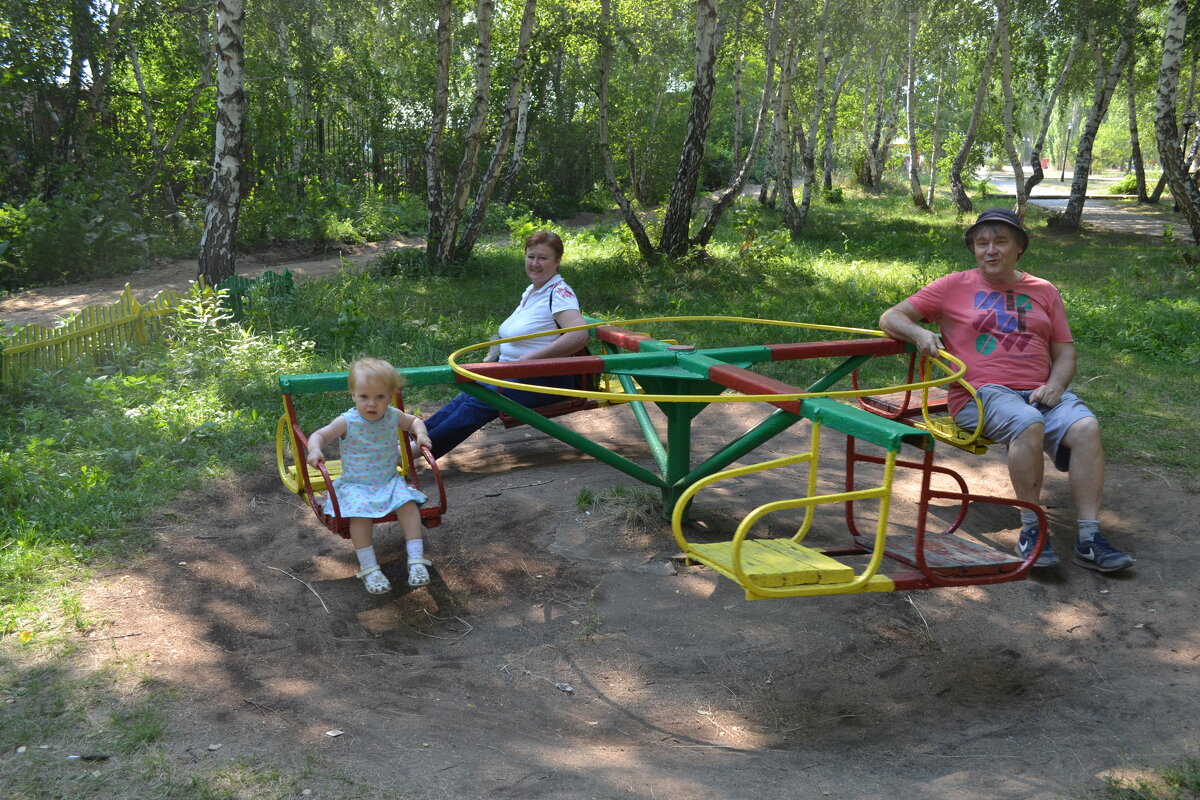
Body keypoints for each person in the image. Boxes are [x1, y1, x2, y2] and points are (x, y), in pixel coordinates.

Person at [878, 208, 1134, 573]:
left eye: (1000, 242)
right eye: (982, 243)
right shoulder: (953, 286)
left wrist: (1056, 385)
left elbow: (1064, 353)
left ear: (1019, 248)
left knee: (1086, 428)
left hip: (1039, 391)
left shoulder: (1043, 290)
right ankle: (1032, 530)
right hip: (979, 395)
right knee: (1027, 422)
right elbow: (891, 317)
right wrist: (920, 334)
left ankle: (1089, 538)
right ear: (973, 250)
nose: (990, 250)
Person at [424, 230, 591, 458]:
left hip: (545, 378)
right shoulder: (533, 292)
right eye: (530, 256)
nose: (535, 263)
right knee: (469, 394)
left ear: (557, 261)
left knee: (481, 401)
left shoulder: (559, 293)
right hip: (516, 374)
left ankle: (413, 453)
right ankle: (414, 438)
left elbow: (579, 335)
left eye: (542, 258)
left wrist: (532, 359)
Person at [306, 357, 434, 594]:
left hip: (387, 480)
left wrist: (421, 434)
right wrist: (315, 449)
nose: (372, 404)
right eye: (364, 397)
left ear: (391, 395)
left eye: (380, 397)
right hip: (357, 485)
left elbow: (415, 421)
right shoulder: (347, 421)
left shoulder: (393, 415)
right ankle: (369, 567)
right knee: (359, 516)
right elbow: (319, 435)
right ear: (353, 395)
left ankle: (416, 561)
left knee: (408, 506)